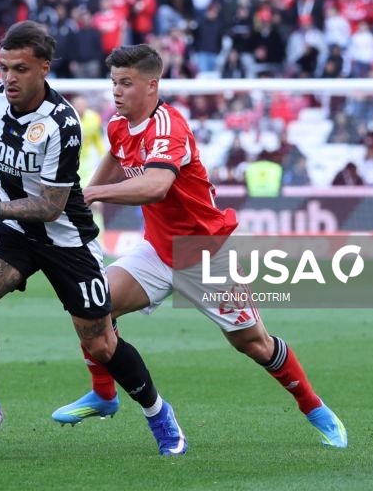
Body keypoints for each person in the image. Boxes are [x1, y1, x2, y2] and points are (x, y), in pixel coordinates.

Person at [51, 44, 348, 450]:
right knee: (90, 305)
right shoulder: (120, 125)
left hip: (203, 254)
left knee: (253, 343)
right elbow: (114, 161)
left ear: (152, 85)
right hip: (157, 251)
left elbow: (156, 186)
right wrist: (86, 195)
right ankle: (104, 395)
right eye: (113, 83)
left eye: (126, 83)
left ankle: (313, 406)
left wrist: (93, 193)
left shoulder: (170, 128)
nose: (116, 92)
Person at [0, 22, 184, 455]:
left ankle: (158, 413)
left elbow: (49, 207)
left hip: (65, 237)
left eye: (20, 69)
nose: (9, 78)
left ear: (44, 67)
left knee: (100, 342)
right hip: (15, 228)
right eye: (4, 68)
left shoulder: (62, 124)